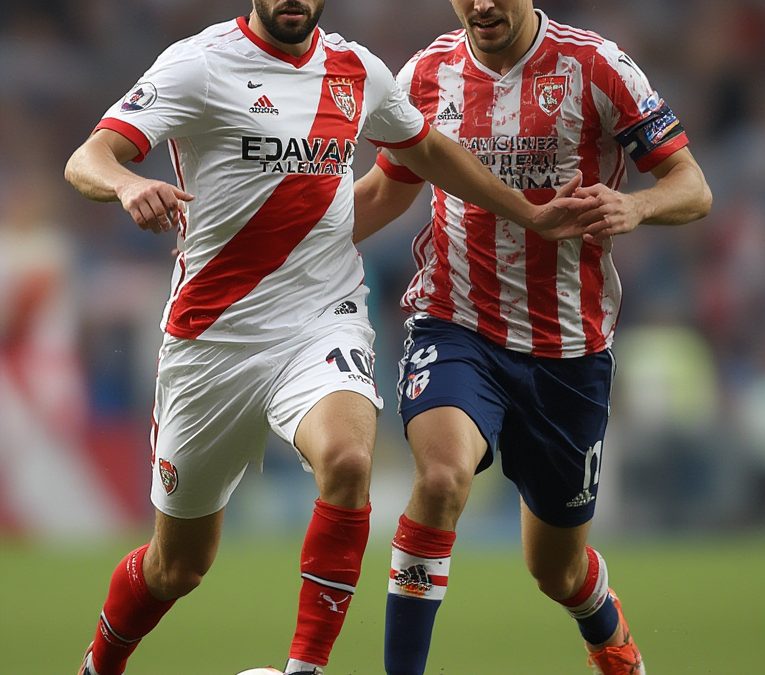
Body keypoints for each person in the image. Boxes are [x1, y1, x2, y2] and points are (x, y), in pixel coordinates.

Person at [64, 2, 600, 674]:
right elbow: (89, 156)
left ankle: (304, 668)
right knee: (178, 566)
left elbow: (426, 151)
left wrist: (530, 213)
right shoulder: (198, 65)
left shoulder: (356, 70)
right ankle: (99, 664)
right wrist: (125, 183)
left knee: (348, 461)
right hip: (213, 339)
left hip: (323, 317)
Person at [352, 1, 712, 673]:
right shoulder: (426, 75)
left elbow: (692, 185)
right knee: (440, 476)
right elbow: (384, 190)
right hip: (455, 322)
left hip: (567, 350)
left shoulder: (597, 66)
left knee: (556, 567)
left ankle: (607, 633)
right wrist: (280, 258)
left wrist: (635, 205)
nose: (481, 4)